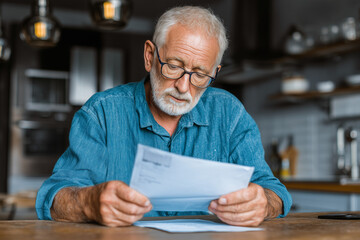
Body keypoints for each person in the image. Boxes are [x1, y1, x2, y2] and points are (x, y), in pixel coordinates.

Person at [36, 6, 292, 227]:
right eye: (173, 66)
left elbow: (274, 191)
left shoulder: (230, 113)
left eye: (201, 74)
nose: (183, 87)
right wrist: (88, 203)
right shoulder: (101, 112)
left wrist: (264, 203)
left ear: (216, 71)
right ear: (150, 56)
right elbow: (53, 197)